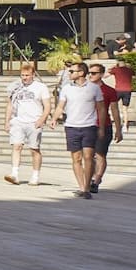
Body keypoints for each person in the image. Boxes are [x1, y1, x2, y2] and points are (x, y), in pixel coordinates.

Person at [52, 57, 103, 199]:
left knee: (88, 157)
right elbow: (61, 106)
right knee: (76, 158)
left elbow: (101, 108)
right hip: (71, 126)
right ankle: (81, 186)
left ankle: (87, 187)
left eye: (72, 71)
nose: (69, 73)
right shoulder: (67, 88)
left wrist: (101, 127)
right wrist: (54, 118)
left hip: (89, 126)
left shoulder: (94, 88)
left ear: (81, 73)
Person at [3, 62, 50, 186]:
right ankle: (14, 173)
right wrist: (7, 121)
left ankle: (35, 175)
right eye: (22, 75)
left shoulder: (41, 87)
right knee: (16, 146)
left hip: (34, 121)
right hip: (18, 120)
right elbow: (10, 105)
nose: (24, 77)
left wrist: (42, 119)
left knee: (34, 149)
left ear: (33, 75)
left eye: (27, 75)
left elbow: (47, 106)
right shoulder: (15, 87)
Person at [89, 62, 123, 194]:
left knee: (100, 154)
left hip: (104, 125)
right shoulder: (84, 89)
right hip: (87, 126)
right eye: (89, 73)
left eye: (94, 73)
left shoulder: (109, 91)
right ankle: (89, 177)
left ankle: (96, 180)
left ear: (102, 74)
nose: (90, 76)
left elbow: (115, 110)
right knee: (88, 155)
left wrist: (119, 129)